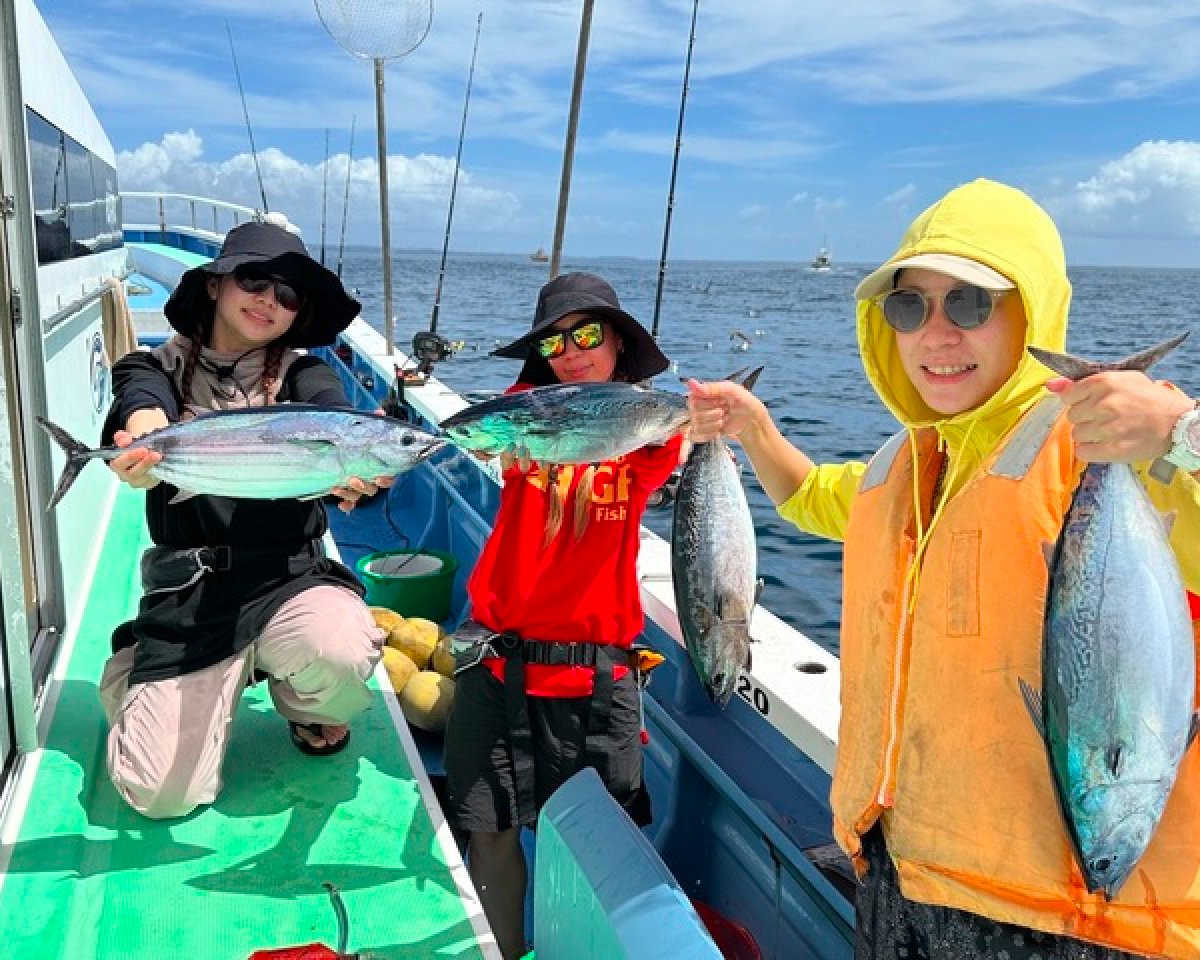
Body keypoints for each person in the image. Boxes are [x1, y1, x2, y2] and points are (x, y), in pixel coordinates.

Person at [687, 179, 1200, 959]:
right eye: (908, 307)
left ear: (1031, 311)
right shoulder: (915, 460)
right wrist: (754, 429)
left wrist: (1177, 429)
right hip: (901, 884)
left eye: (970, 304)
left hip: (1065, 923)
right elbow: (817, 498)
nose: (936, 333)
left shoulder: (1103, 446)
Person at [99, 215, 389, 820]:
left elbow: (332, 415)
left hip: (288, 581)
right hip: (193, 594)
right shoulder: (154, 369)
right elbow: (140, 403)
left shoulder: (305, 375)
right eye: (256, 280)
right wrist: (146, 443)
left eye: (288, 295)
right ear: (215, 284)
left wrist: (360, 470)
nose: (270, 301)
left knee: (340, 650)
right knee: (160, 796)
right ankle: (139, 668)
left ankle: (300, 699)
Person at [443, 272, 684, 959]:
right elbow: (496, 430)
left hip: (594, 676)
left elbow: (671, 439)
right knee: (488, 829)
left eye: (586, 335)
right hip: (499, 661)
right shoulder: (525, 410)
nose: (571, 351)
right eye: (554, 340)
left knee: (592, 846)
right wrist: (493, 438)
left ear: (616, 344)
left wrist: (702, 414)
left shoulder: (645, 429)